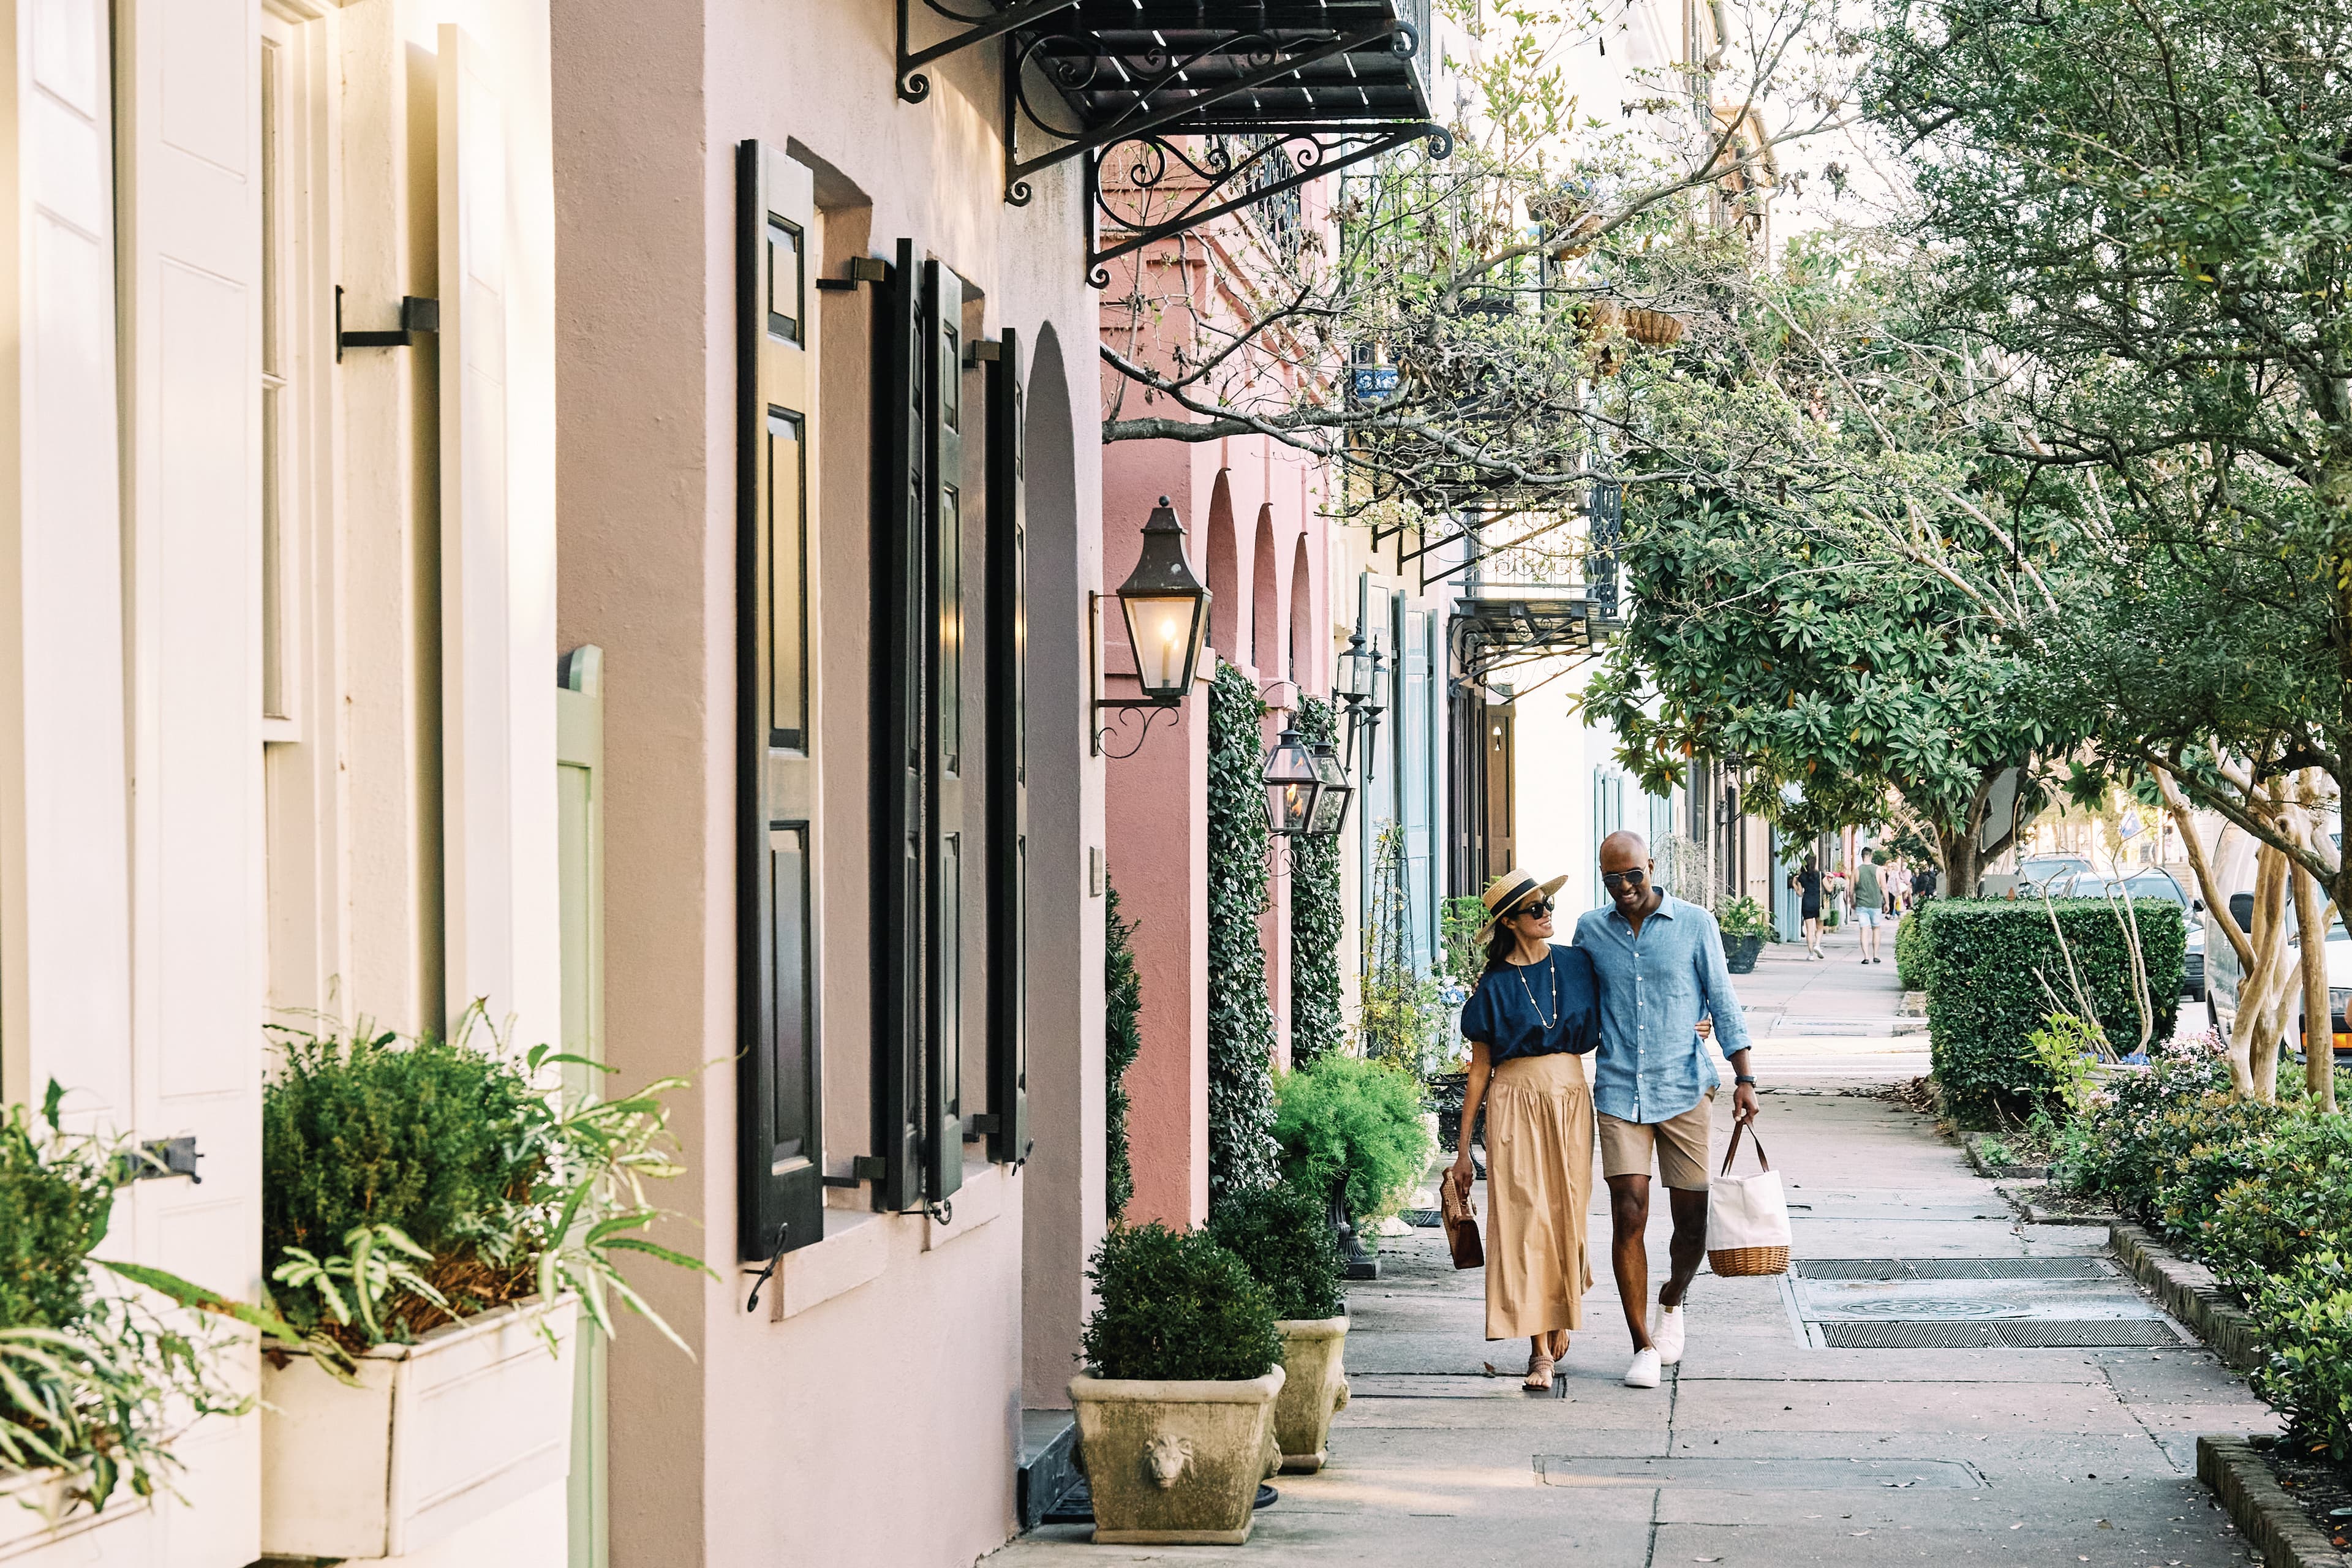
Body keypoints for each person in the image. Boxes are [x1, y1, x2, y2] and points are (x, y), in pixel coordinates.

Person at [1575, 831, 1761, 1390]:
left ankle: (1673, 1298)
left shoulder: (1696, 924)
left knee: (1692, 1223)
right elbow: (1575, 999)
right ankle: (1642, 1344)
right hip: (1617, 1090)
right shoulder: (1591, 930)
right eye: (1612, 879)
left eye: (1633, 875)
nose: (1625, 887)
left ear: (1651, 867)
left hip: (1683, 1087)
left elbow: (1723, 1001)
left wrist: (1745, 1077)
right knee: (1628, 1211)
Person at [1446, 869, 1597, 1391]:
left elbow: (1629, 1012)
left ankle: (1558, 1312)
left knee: (1567, 1214)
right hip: (1513, 1103)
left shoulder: (1577, 965)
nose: (1547, 912)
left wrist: (1692, 1024)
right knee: (1526, 1217)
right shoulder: (1494, 987)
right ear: (1510, 922)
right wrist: (1463, 1151)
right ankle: (1539, 1352)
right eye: (1535, 908)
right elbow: (1478, 1072)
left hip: (1572, 1099)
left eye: (1549, 902)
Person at [1853, 849, 1887, 965]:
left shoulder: (1856, 871)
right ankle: (1876, 955)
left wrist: (1851, 902)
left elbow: (1851, 889)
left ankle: (1866, 957)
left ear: (1862, 856)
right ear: (1871, 856)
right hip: (1875, 904)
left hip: (1861, 904)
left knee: (1864, 930)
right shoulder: (1879, 870)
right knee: (1876, 929)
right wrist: (1887, 903)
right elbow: (1884, 888)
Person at [1790, 855, 1824, 959]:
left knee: (1809, 930)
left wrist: (1794, 884)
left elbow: (1800, 893)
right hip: (1819, 904)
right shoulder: (1820, 875)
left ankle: (1811, 955)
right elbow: (1829, 888)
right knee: (1820, 927)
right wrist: (1831, 880)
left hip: (1807, 903)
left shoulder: (1802, 877)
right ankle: (1817, 945)